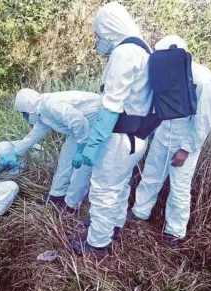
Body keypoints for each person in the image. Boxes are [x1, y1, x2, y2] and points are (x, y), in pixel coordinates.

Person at [71, 2, 153, 257]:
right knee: (118, 185)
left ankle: (97, 243)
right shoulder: (144, 49)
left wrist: (93, 143)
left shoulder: (125, 52)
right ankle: (111, 225)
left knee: (103, 188)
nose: (98, 40)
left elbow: (111, 106)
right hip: (137, 138)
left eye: (98, 34)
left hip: (119, 138)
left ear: (109, 28)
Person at [131, 35, 211, 246]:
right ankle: (139, 213)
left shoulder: (202, 79)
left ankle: (174, 233)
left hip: (186, 139)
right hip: (163, 132)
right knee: (151, 175)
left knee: (179, 186)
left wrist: (186, 149)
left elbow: (203, 120)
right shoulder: (164, 73)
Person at [6, 89, 102, 211]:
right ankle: (57, 195)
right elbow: (32, 137)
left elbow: (79, 122)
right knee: (66, 158)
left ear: (29, 107)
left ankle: (71, 204)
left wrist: (80, 149)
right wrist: (14, 153)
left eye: (24, 113)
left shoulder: (51, 105)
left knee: (81, 168)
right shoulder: (42, 114)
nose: (24, 117)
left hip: (96, 123)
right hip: (82, 130)